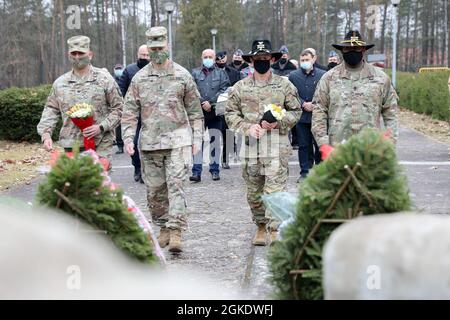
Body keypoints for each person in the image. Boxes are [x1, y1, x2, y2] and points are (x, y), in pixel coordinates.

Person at [121, 27, 204, 253]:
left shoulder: (182, 75)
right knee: (155, 192)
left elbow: (195, 111)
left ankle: (176, 231)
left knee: (177, 186)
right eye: (153, 48)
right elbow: (129, 112)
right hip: (150, 144)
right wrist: (128, 137)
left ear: (167, 46)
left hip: (178, 141)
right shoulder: (139, 79)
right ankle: (163, 227)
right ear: (148, 49)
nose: (157, 51)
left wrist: (197, 137)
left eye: (160, 47)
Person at [225, 39, 302, 246]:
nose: (261, 61)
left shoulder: (285, 85)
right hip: (251, 149)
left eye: (265, 58)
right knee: (254, 192)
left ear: (272, 59)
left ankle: (274, 229)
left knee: (274, 191)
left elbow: (296, 111)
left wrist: (277, 124)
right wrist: (246, 127)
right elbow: (230, 114)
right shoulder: (239, 87)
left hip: (277, 148)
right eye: (258, 58)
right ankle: (260, 226)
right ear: (251, 61)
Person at [311, 30, 398, 158]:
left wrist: (388, 143)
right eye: (348, 49)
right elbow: (319, 112)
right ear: (342, 51)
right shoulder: (328, 78)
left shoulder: (381, 78)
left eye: (356, 48)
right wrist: (323, 144)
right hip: (337, 150)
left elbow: (391, 113)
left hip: (371, 150)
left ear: (363, 50)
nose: (352, 52)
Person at [37, 35, 123, 162]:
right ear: (69, 55)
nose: (77, 57)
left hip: (100, 143)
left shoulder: (104, 79)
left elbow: (119, 108)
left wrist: (101, 127)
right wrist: (46, 134)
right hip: (72, 145)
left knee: (97, 180)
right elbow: (51, 109)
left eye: (81, 53)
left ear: (90, 54)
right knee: (75, 181)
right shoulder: (60, 83)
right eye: (74, 53)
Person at [190, 49, 230, 182]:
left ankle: (214, 170)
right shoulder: (194, 73)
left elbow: (225, 89)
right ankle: (196, 172)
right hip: (198, 114)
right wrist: (202, 102)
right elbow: (191, 90)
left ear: (214, 59)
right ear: (201, 58)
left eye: (210, 57)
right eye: (205, 57)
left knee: (215, 143)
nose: (207, 59)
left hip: (215, 113)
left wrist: (211, 102)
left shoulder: (221, 73)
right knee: (197, 143)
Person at [289, 49, 326, 181]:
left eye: (307, 60)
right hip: (302, 117)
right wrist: (303, 103)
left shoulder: (323, 75)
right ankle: (305, 172)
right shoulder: (293, 76)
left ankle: (320, 172)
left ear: (314, 59)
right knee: (304, 146)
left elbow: (327, 94)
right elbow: (291, 95)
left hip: (319, 117)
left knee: (319, 145)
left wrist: (314, 104)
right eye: (302, 60)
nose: (305, 62)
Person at [118, 45, 151, 183]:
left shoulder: (153, 70)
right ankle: (137, 167)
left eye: (147, 55)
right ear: (138, 55)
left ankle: (148, 171)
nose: (144, 58)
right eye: (142, 55)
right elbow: (121, 90)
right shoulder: (129, 70)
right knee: (134, 142)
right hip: (134, 114)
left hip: (151, 114)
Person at [113, 64, 125, 154]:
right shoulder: (111, 80)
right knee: (118, 127)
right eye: (117, 69)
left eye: (119, 69)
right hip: (117, 106)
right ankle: (120, 146)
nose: (118, 70)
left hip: (127, 104)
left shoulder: (126, 77)